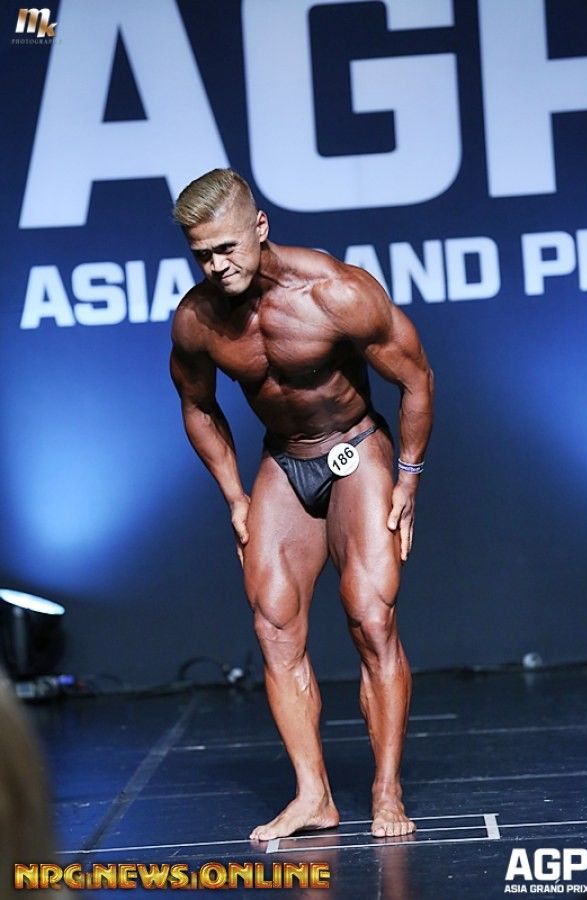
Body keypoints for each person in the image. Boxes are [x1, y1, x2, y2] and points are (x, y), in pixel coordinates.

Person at [170, 169, 434, 841]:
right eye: (202, 254)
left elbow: (415, 378)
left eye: (226, 248)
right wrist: (234, 495)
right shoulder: (198, 320)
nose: (216, 266)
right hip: (283, 458)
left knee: (371, 617)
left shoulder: (336, 292)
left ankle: (386, 789)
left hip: (355, 448)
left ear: (260, 227)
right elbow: (197, 405)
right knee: (274, 624)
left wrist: (408, 477)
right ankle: (314, 795)